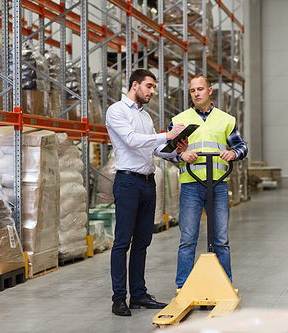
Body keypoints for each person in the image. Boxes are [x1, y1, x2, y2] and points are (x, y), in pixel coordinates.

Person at [106, 69, 186, 316]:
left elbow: (155, 148)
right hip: (128, 183)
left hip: (147, 183)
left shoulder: (146, 117)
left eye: (154, 88)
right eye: (149, 86)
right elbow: (130, 140)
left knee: (142, 241)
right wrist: (166, 134)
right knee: (122, 242)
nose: (152, 92)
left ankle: (138, 294)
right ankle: (119, 298)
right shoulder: (116, 110)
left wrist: (176, 148)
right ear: (135, 85)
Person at [162, 75, 248, 290]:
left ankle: (225, 284)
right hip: (191, 185)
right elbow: (166, 152)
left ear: (210, 91)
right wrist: (181, 157)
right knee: (188, 239)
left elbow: (241, 146)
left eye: (200, 89)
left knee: (221, 239)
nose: (197, 94)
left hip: (218, 185)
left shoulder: (226, 119)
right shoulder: (180, 120)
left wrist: (233, 153)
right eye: (192, 91)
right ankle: (183, 286)